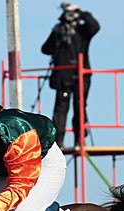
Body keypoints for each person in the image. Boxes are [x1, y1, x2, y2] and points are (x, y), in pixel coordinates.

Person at [41, 2, 100, 148]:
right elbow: (46, 49)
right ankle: (58, 141)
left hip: (82, 77)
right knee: (61, 109)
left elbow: (95, 26)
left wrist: (80, 12)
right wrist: (57, 34)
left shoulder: (82, 32)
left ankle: (80, 139)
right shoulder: (58, 31)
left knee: (80, 107)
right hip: (63, 78)